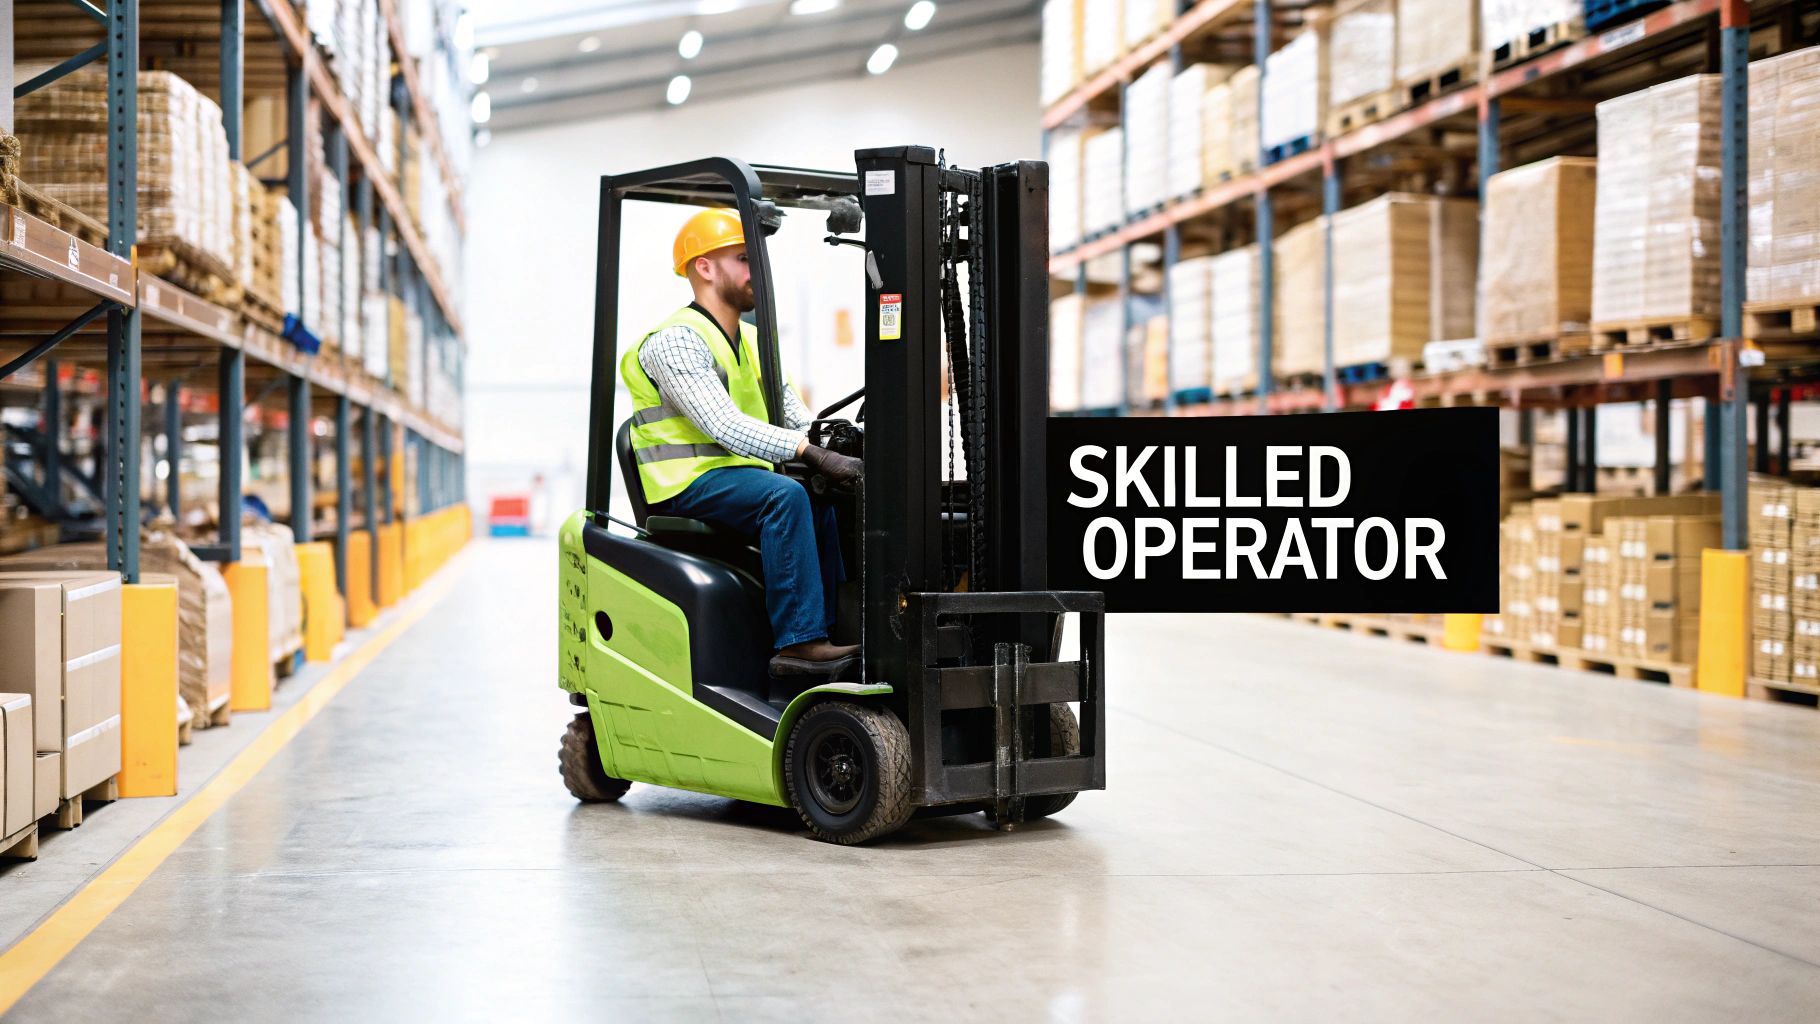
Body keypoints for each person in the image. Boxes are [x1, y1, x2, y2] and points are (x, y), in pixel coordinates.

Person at [620, 207, 863, 673]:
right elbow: (724, 425)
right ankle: (799, 643)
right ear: (705, 268)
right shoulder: (676, 340)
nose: (757, 272)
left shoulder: (752, 341)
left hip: (735, 479)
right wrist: (809, 453)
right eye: (742, 259)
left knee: (825, 497)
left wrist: (838, 444)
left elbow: (794, 415)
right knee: (785, 496)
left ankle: (834, 631)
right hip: (685, 485)